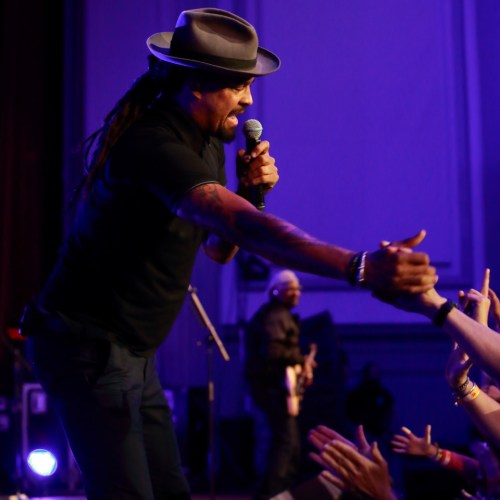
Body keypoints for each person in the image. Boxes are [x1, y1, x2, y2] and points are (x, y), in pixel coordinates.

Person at [19, 8, 437, 500]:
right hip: (85, 346)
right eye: (239, 85)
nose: (249, 98)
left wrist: (249, 193)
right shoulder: (154, 144)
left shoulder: (208, 142)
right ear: (197, 84)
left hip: (131, 352)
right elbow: (236, 223)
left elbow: (218, 248)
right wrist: (358, 266)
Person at [244, 269, 316, 498]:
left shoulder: (276, 314)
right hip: (274, 390)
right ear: (276, 291)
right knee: (287, 444)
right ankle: (275, 494)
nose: (297, 293)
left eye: (298, 288)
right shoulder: (276, 316)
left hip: (274, 389)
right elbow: (273, 352)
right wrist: (300, 360)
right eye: (291, 289)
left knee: (285, 443)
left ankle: (269, 493)